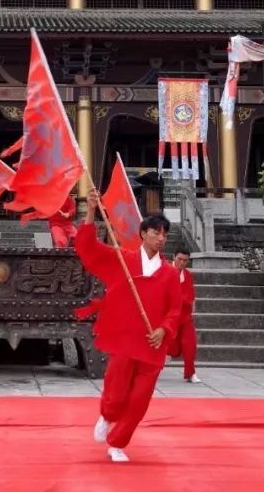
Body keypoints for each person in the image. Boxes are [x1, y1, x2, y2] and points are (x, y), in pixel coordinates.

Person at [74, 190, 181, 463]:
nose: (161, 238)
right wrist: (90, 211)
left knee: (140, 400)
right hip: (125, 339)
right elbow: (89, 249)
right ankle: (107, 415)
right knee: (116, 392)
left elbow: (175, 310)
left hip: (152, 345)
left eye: (165, 235)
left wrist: (164, 330)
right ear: (143, 234)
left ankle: (117, 443)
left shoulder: (170, 274)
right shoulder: (123, 259)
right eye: (156, 232)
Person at [167, 249, 200, 383]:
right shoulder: (165, 271)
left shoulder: (188, 275)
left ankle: (190, 373)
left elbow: (191, 295)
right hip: (169, 316)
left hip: (185, 316)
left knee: (190, 344)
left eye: (185, 260)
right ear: (173, 257)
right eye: (179, 259)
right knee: (171, 347)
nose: (182, 262)